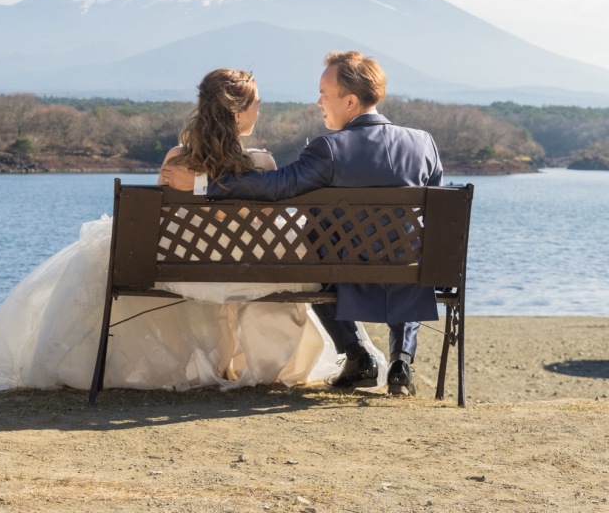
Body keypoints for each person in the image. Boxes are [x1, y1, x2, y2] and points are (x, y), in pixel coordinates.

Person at [0, 68, 380, 393]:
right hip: (248, 275)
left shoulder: (176, 159)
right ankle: (248, 361)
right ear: (238, 113)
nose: (260, 110)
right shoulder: (263, 163)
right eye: (257, 104)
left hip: (180, 270)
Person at [160, 51, 443, 398]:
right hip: (409, 268)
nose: (318, 101)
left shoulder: (330, 148)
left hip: (345, 269)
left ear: (350, 101)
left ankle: (356, 353)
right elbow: (435, 217)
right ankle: (401, 361)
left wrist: (203, 184)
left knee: (314, 244)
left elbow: (277, 185)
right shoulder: (423, 143)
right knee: (408, 248)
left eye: (324, 93)